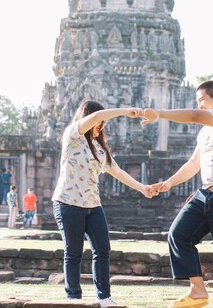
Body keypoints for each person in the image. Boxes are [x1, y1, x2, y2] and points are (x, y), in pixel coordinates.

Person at [142, 80, 213, 308]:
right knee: (178, 234)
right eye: (198, 102)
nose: (199, 105)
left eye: (202, 100)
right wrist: (169, 183)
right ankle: (198, 290)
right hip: (206, 193)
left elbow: (193, 116)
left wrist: (159, 114)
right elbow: (194, 164)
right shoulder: (204, 134)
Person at [52, 100, 155, 308]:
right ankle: (73, 297)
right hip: (68, 202)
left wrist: (142, 188)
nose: (102, 125)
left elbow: (118, 172)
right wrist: (125, 111)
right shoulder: (73, 134)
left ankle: (104, 296)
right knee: (73, 252)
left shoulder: (99, 147)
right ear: (88, 117)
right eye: (101, 121)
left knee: (102, 249)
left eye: (104, 123)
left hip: (93, 205)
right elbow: (96, 117)